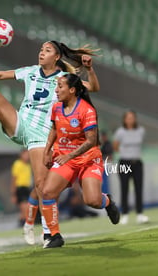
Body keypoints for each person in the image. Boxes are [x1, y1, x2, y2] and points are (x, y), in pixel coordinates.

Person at [0, 40, 100, 245]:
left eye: (47, 50)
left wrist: (90, 69)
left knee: (42, 185)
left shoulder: (64, 79)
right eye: (41, 49)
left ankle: (48, 232)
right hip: (20, 123)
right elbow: (0, 75)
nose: (41, 53)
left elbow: (93, 87)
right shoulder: (30, 71)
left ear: (57, 57)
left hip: (41, 135)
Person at [41, 73, 120, 248]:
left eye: (60, 86)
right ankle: (54, 236)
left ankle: (107, 202)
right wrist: (47, 152)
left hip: (88, 159)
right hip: (66, 159)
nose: (56, 90)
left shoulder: (87, 110)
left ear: (72, 90)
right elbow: (54, 129)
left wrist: (69, 155)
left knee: (91, 201)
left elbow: (91, 140)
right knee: (47, 192)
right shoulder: (56, 108)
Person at [113, 110, 148, 225]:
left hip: (137, 163)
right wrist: (126, 153)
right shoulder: (120, 132)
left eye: (132, 117)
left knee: (139, 188)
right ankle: (125, 214)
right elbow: (115, 145)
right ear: (124, 119)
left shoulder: (141, 131)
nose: (130, 120)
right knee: (124, 188)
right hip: (124, 163)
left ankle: (140, 214)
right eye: (128, 118)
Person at [10, 149, 32, 227]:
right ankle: (24, 224)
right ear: (21, 155)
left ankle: (21, 223)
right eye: (25, 154)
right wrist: (13, 194)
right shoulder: (17, 164)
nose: (27, 156)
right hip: (20, 188)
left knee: (26, 210)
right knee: (25, 209)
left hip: (27, 188)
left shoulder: (28, 165)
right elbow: (14, 179)